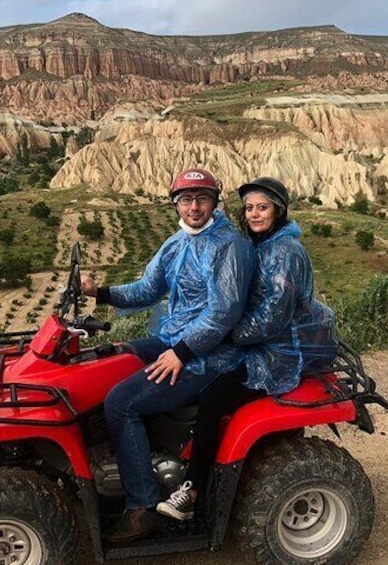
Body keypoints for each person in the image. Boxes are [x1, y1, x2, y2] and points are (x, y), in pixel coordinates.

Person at [80, 168, 255, 542]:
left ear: (214, 202)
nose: (194, 207)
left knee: (120, 402)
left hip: (210, 356)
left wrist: (181, 351)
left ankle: (141, 506)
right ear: (176, 204)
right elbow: (147, 289)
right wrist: (101, 293)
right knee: (108, 361)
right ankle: (116, 457)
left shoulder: (230, 246)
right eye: (187, 200)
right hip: (173, 341)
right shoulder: (177, 243)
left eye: (202, 199)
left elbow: (224, 313)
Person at [156, 176, 339, 521]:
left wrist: (224, 334)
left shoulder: (286, 252)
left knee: (211, 398)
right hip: (255, 344)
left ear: (279, 211)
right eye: (250, 208)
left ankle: (191, 490)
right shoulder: (261, 244)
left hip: (277, 355)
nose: (255, 214)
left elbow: (272, 317)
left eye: (263, 207)